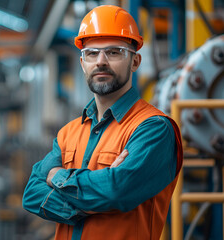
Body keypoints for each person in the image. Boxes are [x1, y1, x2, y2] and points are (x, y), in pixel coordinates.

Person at [22, 5, 183, 240]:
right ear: (82, 63)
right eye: (92, 53)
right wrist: (87, 205)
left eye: (114, 52)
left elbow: (117, 190)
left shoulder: (154, 128)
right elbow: (31, 193)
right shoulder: (69, 132)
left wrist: (57, 177)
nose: (101, 61)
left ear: (135, 61)